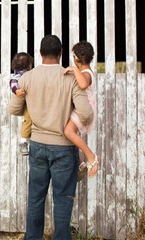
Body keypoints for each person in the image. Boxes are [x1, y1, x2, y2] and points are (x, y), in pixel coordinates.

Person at [8, 35, 94, 239]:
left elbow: (13, 108)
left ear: (39, 53)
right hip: (64, 149)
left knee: (36, 198)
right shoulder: (70, 76)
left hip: (37, 145)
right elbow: (86, 113)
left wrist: (36, 109)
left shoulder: (27, 77)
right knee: (63, 199)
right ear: (61, 53)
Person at [64, 41, 99, 181]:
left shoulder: (86, 73)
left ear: (76, 58)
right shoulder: (85, 72)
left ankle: (91, 156)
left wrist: (74, 69)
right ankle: (79, 162)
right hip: (84, 109)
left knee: (68, 131)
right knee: (71, 135)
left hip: (84, 109)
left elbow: (83, 84)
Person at [9, 52, 34, 155]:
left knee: (30, 120)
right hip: (27, 103)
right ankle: (23, 141)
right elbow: (13, 82)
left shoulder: (28, 74)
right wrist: (16, 90)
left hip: (30, 101)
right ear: (28, 65)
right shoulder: (20, 75)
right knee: (28, 120)